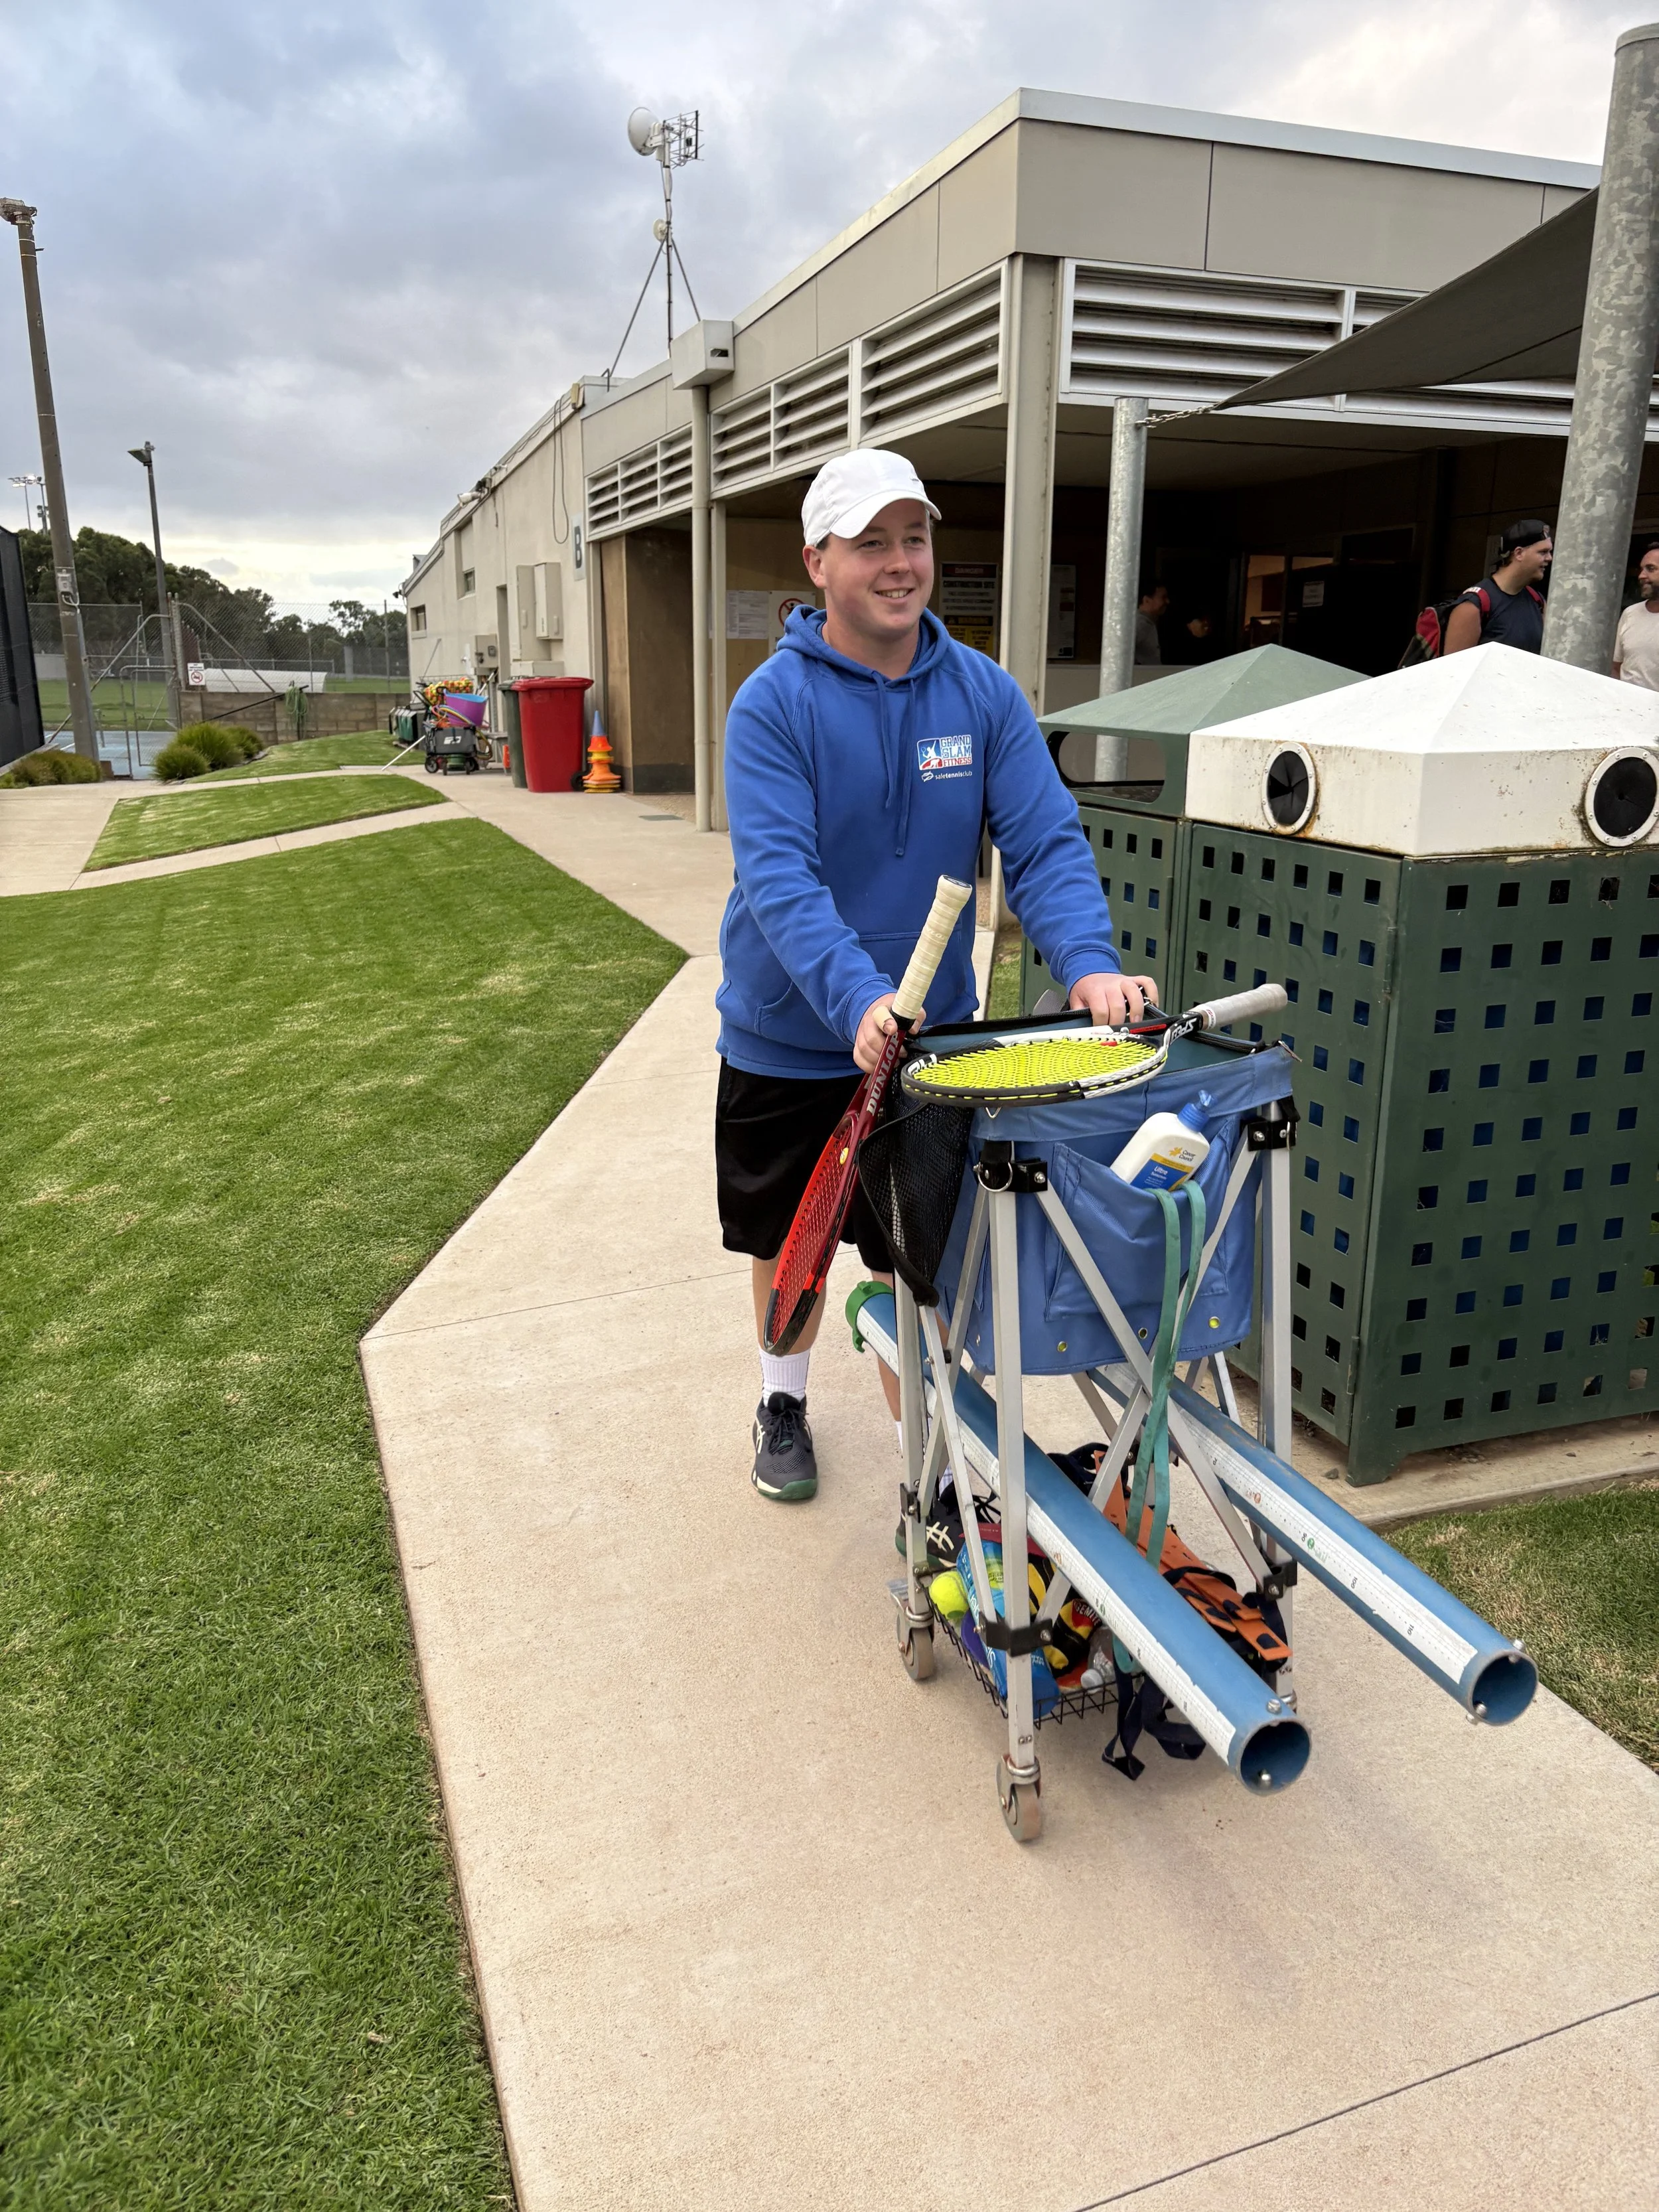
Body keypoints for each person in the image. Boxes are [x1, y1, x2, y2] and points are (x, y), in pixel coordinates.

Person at [717, 447, 1155, 1503]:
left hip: (933, 1044)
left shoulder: (982, 694)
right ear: (819, 561)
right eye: (873, 543)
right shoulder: (771, 707)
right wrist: (855, 998)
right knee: (793, 1242)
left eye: (914, 538)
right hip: (792, 1033)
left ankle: (934, 1463)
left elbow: (1043, 841)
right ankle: (783, 1396)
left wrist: (1088, 964)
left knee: (913, 1258)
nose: (901, 562)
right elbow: (783, 879)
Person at [1441, 520, 1551, 654]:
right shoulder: (1473, 605)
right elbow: (1455, 670)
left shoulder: (1537, 601)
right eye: (1543, 552)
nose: (1549, 558)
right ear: (1519, 553)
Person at [1613, 542, 1659, 689]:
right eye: (1641, 569)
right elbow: (1616, 666)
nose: (1641, 576)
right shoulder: (1630, 613)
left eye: (1651, 569)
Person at [1134, 582, 1169, 666]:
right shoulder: (1137, 624)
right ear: (1146, 600)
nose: (1167, 601)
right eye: (1163, 597)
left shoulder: (1152, 623)